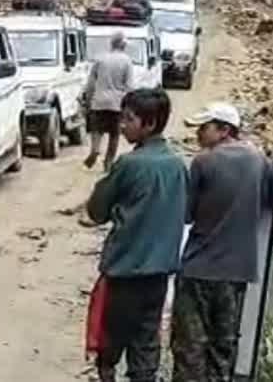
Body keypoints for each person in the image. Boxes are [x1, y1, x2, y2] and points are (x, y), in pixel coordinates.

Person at [171, 103, 273, 382]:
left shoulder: (203, 162)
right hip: (236, 274)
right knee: (223, 346)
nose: (198, 134)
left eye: (203, 128)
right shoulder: (258, 160)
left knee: (190, 347)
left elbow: (185, 214)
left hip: (198, 270)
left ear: (224, 130)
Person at [84, 89, 188, 382]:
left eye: (129, 119)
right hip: (159, 273)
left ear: (150, 123)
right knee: (145, 343)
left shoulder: (129, 164)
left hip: (124, 271)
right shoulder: (178, 166)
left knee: (110, 341)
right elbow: (186, 211)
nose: (122, 125)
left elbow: (96, 211)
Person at [83, 31, 135, 171]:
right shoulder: (127, 61)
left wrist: (88, 100)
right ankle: (108, 162)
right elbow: (129, 86)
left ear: (111, 44)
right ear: (123, 45)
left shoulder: (100, 59)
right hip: (117, 104)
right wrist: (128, 105)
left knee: (97, 130)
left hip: (99, 101)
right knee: (114, 134)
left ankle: (95, 150)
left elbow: (91, 83)